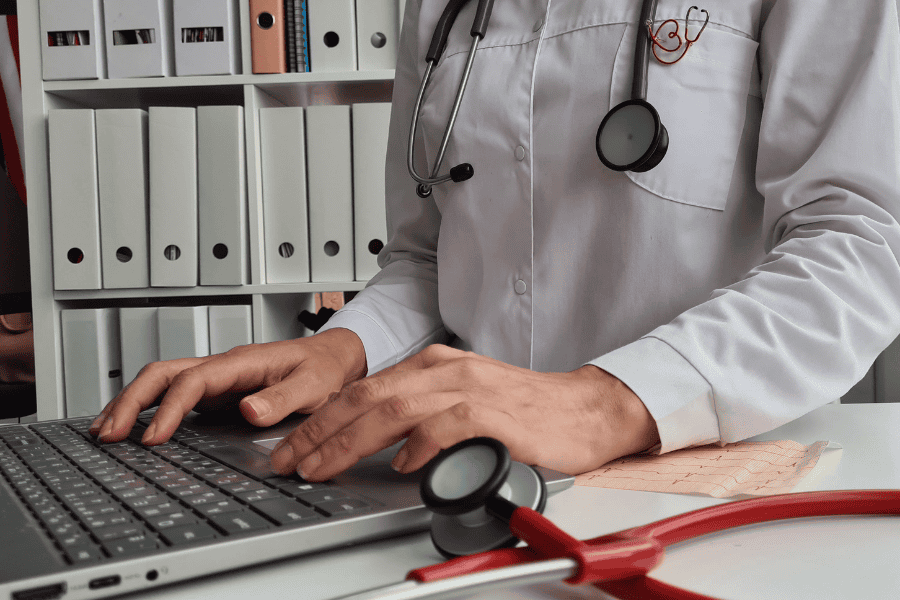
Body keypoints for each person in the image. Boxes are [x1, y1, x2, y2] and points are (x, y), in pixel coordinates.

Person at [92, 0, 900, 483]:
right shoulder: (440, 9)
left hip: (714, 473)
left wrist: (607, 400)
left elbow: (862, 240)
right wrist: (343, 348)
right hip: (470, 471)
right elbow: (430, 256)